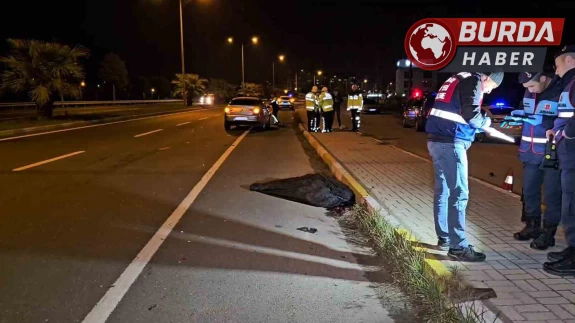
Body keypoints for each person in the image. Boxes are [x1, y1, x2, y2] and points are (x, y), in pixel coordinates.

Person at [425, 71, 504, 262]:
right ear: (488, 78)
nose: (490, 90)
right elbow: (471, 114)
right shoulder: (474, 81)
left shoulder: (458, 77)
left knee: (443, 190)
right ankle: (458, 247)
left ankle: (444, 237)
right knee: (459, 193)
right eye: (492, 86)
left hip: (437, 140)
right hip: (451, 142)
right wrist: (486, 123)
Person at [512, 71, 562, 250]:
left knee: (551, 195)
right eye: (526, 88)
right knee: (530, 191)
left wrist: (546, 122)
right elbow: (524, 108)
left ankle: (548, 234)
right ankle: (532, 226)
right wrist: (518, 114)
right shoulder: (529, 91)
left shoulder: (561, 90)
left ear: (543, 78)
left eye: (532, 86)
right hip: (529, 151)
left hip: (551, 152)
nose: (530, 90)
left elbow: (565, 119)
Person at [544, 45, 575, 276]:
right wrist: (557, 130)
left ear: (570, 61)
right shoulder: (569, 84)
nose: (556, 70)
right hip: (567, 153)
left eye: (558, 64)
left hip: (573, 151)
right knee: (569, 204)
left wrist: (567, 133)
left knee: (573, 205)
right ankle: (572, 249)